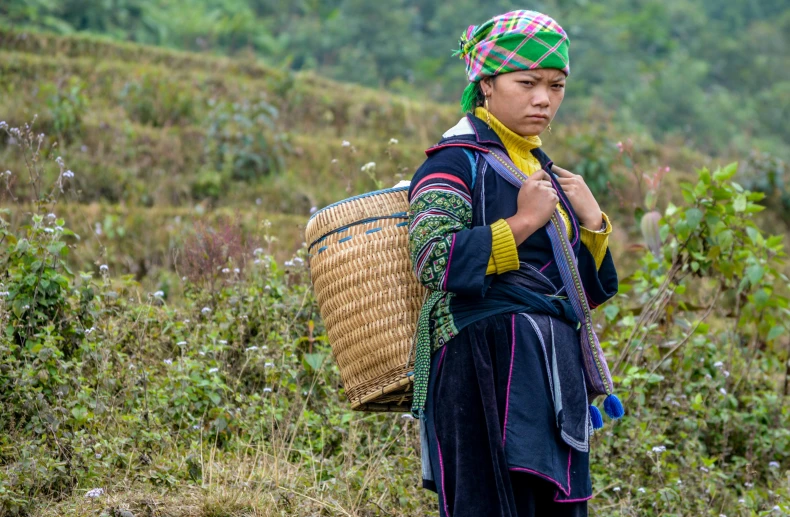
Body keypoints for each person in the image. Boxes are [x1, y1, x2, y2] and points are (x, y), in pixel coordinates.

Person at [407, 10, 621, 517]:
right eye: (527, 83)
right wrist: (524, 222)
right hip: (483, 362)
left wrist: (592, 223)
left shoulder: (548, 173)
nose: (544, 99)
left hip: (551, 370)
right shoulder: (454, 161)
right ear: (486, 85)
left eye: (556, 85)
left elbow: (577, 292)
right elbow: (433, 258)